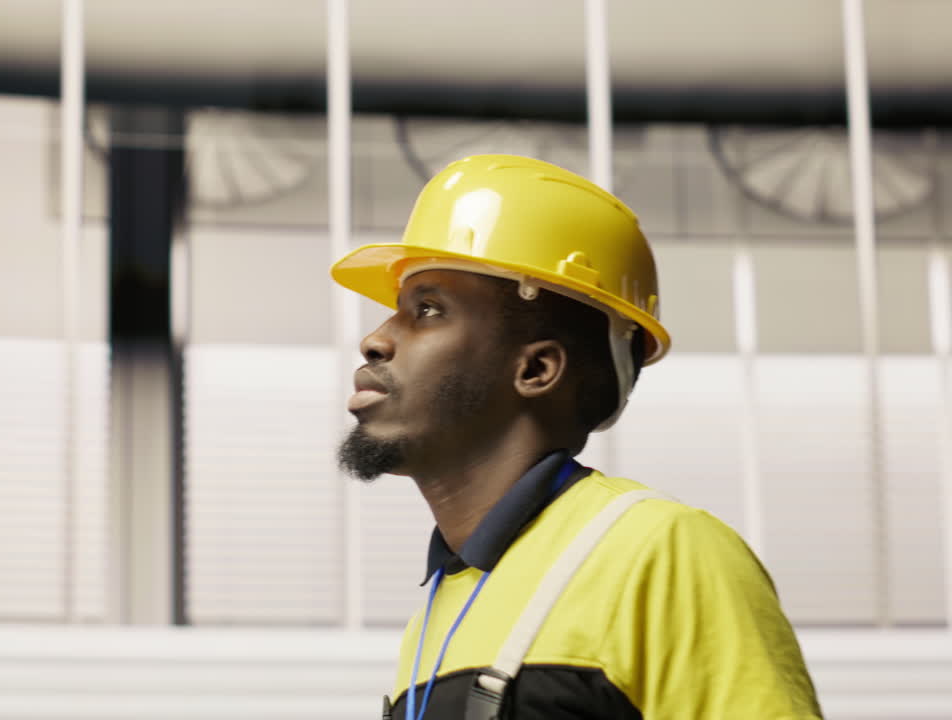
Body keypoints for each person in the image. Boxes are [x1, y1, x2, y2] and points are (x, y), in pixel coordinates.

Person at [330, 154, 821, 719]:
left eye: (429, 310)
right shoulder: (443, 604)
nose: (374, 340)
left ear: (536, 370)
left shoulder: (661, 553)